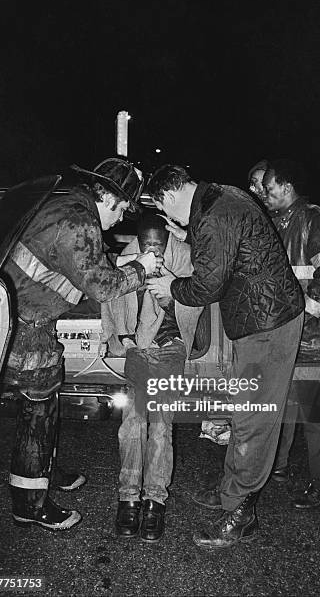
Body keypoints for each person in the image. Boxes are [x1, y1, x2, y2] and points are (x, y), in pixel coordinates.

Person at [145, 164, 304, 549]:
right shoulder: (221, 195)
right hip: (260, 318)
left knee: (255, 419)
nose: (167, 218)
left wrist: (171, 286)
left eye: (165, 210)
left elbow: (207, 285)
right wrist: (188, 234)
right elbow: (227, 248)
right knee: (243, 410)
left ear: (168, 196)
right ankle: (231, 489)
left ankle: (241, 512)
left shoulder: (214, 216)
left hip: (267, 325)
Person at [1, 157, 160, 531]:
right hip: (26, 329)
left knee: (43, 407)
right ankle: (30, 504)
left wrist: (123, 262)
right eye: (122, 209)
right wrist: (142, 269)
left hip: (17, 319)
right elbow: (101, 287)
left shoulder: (64, 204)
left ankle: (43, 471)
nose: (121, 218)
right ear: (109, 197)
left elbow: (75, 264)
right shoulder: (81, 221)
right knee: (36, 412)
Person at [101, 211, 202, 542]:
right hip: (138, 349)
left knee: (160, 426)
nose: (154, 251)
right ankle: (128, 498)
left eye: (159, 245)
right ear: (139, 241)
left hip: (171, 347)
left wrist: (171, 289)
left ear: (168, 239)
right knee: (132, 423)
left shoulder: (185, 257)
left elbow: (201, 299)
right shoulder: (128, 258)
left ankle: (154, 502)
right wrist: (120, 335)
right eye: (147, 245)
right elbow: (109, 299)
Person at [263, 160, 320, 508]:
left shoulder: (316, 217)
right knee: (280, 409)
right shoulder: (279, 223)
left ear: (286, 186)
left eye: (268, 189)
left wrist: (301, 319)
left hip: (313, 342)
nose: (264, 196)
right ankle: (276, 468)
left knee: (315, 417)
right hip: (286, 338)